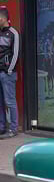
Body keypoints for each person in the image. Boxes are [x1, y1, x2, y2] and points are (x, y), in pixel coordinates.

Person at [0, 7, 19, 138]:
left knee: (10, 101)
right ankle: (1, 127)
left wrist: (9, 70)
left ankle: (13, 129)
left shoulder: (14, 33)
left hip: (8, 74)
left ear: (3, 19)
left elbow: (16, 54)